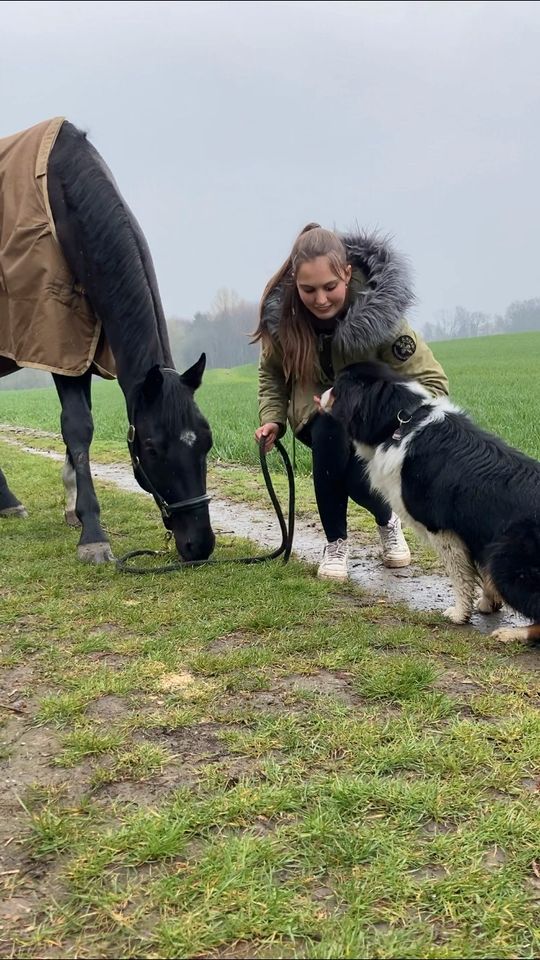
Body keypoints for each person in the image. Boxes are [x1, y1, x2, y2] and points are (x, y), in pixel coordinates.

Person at [252, 223, 449, 581]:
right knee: (329, 427)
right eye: (308, 289)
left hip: (375, 428)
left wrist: (400, 429)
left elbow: (432, 381)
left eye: (330, 287)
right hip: (315, 417)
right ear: (295, 282)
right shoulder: (284, 320)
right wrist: (273, 420)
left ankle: (387, 518)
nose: (320, 299)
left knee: (354, 476)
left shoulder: (382, 317)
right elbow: (271, 375)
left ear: (346, 273)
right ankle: (335, 542)